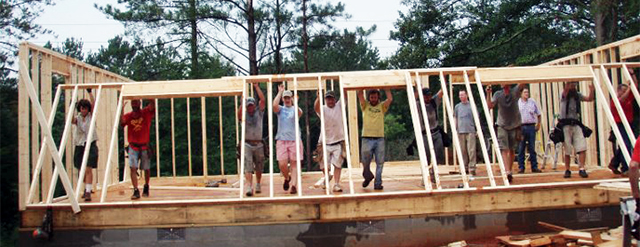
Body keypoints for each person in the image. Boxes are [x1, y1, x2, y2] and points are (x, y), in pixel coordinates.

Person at [486, 84, 524, 183]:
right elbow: (489, 106)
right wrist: (488, 94)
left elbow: (522, 82)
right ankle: (507, 171)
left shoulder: (514, 92)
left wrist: (512, 72)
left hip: (514, 125)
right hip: (502, 125)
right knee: (504, 148)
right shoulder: (498, 94)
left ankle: (509, 170)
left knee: (512, 150)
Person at [557, 82, 595, 178]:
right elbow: (566, 90)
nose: (573, 86)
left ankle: (582, 168)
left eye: (574, 85)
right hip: (565, 124)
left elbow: (590, 99)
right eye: (571, 85)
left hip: (575, 123)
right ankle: (567, 169)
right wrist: (569, 81)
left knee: (582, 146)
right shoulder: (564, 96)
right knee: (567, 148)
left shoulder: (577, 95)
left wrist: (591, 90)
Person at [357, 89, 393, 190]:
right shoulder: (365, 106)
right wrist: (364, 85)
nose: (373, 99)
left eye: (375, 97)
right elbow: (359, 94)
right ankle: (368, 176)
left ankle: (378, 183)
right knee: (365, 161)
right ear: (369, 98)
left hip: (379, 138)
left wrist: (385, 86)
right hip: (366, 138)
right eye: (372, 97)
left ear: (378, 98)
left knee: (380, 162)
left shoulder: (381, 106)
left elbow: (390, 99)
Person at [121, 98, 155, 199]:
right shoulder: (128, 116)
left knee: (146, 168)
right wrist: (121, 109)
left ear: (140, 103)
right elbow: (122, 122)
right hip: (133, 146)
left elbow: (152, 104)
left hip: (144, 146)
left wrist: (148, 96)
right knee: (133, 168)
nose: (134, 105)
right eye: (133, 103)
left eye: (136, 103)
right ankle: (136, 190)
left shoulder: (145, 112)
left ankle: (146, 186)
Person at [274, 84, 303, 194]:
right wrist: (280, 92)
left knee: (295, 163)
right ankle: (287, 178)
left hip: (294, 140)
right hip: (282, 139)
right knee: (282, 164)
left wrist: (295, 102)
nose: (287, 100)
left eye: (288, 97)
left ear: (291, 98)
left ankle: (294, 186)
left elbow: (300, 113)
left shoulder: (296, 109)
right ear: (283, 99)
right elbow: (274, 105)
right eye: (285, 98)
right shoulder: (280, 109)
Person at [314, 90, 346, 193]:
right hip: (324, 142)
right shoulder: (323, 109)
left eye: (331, 99)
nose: (330, 101)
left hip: (338, 141)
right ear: (325, 100)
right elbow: (316, 108)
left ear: (335, 99)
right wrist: (318, 97)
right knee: (323, 165)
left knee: (338, 164)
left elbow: (344, 94)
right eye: (328, 99)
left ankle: (336, 184)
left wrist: (344, 86)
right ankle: (327, 176)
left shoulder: (339, 106)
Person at [238, 83, 266, 196]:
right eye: (248, 105)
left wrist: (256, 87)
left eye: (251, 105)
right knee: (247, 165)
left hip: (258, 143)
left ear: (254, 105)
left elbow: (263, 100)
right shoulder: (244, 114)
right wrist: (241, 103)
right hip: (247, 143)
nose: (250, 107)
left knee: (259, 165)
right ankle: (249, 186)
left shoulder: (259, 113)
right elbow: (238, 115)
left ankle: (258, 183)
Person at [72, 89, 99, 201]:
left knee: (88, 168)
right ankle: (86, 188)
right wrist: (71, 107)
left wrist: (90, 93)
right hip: (79, 145)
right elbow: (70, 119)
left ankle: (87, 192)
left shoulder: (90, 117)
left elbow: (94, 104)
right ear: (80, 109)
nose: (84, 110)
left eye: (86, 108)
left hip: (90, 144)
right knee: (80, 170)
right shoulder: (77, 118)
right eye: (82, 108)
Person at [609, 71, 637, 175]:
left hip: (628, 124)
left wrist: (632, 75)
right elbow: (623, 98)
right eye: (624, 91)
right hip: (620, 125)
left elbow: (635, 86)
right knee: (626, 145)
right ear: (619, 91)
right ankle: (625, 168)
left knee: (624, 145)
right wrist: (629, 88)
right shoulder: (615, 100)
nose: (627, 93)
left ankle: (614, 163)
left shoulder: (628, 98)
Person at [517, 88, 542, 174]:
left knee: (532, 147)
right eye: (525, 92)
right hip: (522, 127)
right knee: (521, 148)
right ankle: (521, 167)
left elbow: (538, 114)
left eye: (527, 92)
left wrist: (538, 125)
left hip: (531, 126)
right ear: (521, 94)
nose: (526, 94)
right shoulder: (518, 103)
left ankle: (534, 167)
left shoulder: (532, 102)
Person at [454, 90, 476, 175]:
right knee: (462, 150)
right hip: (460, 130)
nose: (461, 97)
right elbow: (455, 117)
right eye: (460, 95)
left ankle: (472, 168)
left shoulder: (471, 106)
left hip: (470, 130)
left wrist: (476, 129)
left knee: (471, 150)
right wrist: (455, 128)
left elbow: (476, 118)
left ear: (466, 95)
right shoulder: (457, 107)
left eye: (463, 95)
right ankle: (464, 167)